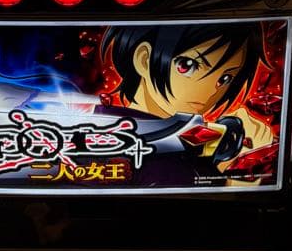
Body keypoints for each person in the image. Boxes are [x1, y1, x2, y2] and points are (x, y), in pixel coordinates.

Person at [101, 22, 275, 177]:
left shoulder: (200, 138)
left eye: (225, 79)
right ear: (144, 59)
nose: (208, 93)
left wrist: (233, 157)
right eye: (187, 66)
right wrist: (242, 171)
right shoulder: (106, 132)